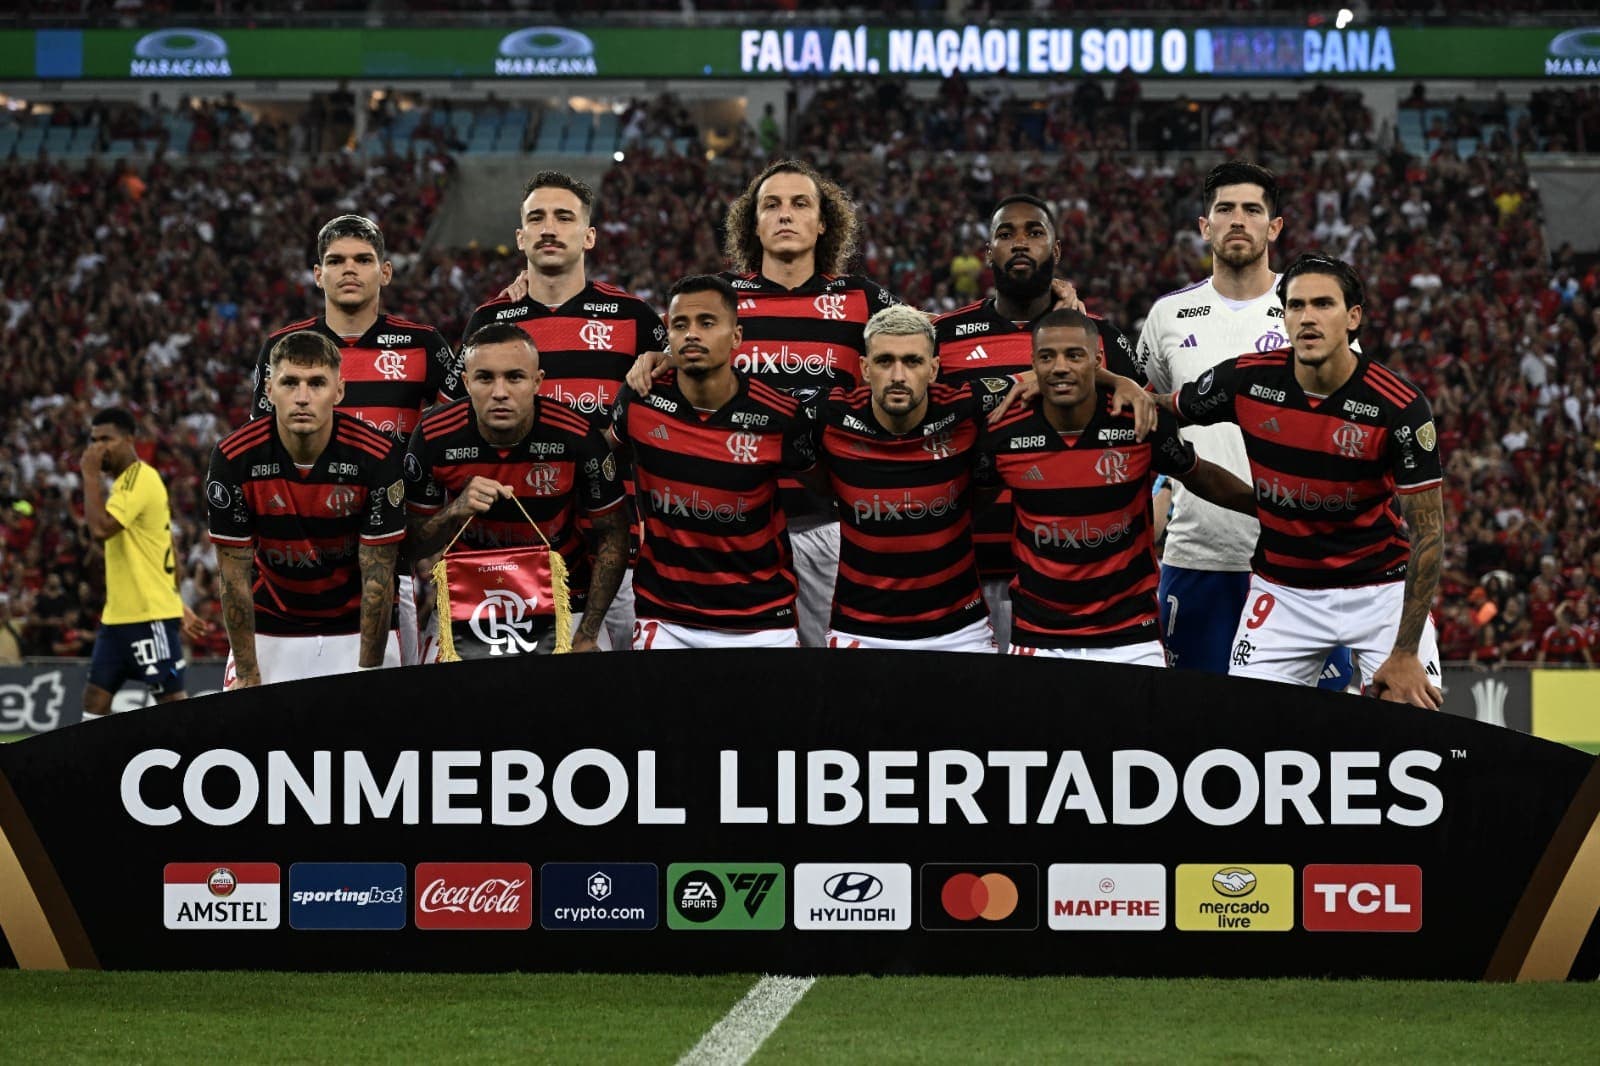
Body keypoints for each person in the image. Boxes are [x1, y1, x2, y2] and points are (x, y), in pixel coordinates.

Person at [1148, 253, 1445, 707]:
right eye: (1296, 305)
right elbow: (1162, 406)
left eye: (1323, 304)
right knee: (1250, 726)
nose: (1307, 317)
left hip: (1380, 590)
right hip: (1283, 592)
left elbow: (1430, 534)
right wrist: (1111, 383)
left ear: (1353, 317)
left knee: (1414, 717)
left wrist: (1405, 652)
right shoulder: (1246, 379)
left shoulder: (1398, 406)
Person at [1136, 162, 1355, 688]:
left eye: (1252, 210)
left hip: (1301, 561)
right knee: (1197, 722)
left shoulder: (1311, 308)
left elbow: (1351, 416)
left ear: (1274, 227)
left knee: (1313, 725)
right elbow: (1148, 412)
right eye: (1225, 209)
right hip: (1198, 558)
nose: (1238, 220)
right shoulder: (1168, 316)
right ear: (1204, 225)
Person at [466, 170, 667, 652]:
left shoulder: (634, 318)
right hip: (518, 552)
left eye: (563, 217)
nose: (549, 228)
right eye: (536, 218)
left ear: (589, 235)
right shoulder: (490, 321)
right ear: (521, 237)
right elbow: (461, 424)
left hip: (617, 548)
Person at [980, 310, 1251, 663]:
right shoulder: (1003, 429)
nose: (1060, 367)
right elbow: (968, 504)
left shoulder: (1138, 421)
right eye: (1047, 357)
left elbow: (1201, 476)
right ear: (1033, 364)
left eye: (1074, 355)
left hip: (1131, 637)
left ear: (1097, 362)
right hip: (1039, 634)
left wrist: (1271, 510)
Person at [935, 194, 1144, 652]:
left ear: (1057, 249)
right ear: (988, 252)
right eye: (1006, 234)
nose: (1020, 243)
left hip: (1073, 583)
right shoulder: (943, 337)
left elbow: (1148, 426)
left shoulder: (1102, 338)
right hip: (962, 575)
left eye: (1034, 232)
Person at [251, 214, 457, 667]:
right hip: (300, 563)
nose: (349, 269)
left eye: (363, 260)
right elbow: (263, 450)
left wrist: (436, 521)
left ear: (385, 272)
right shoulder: (282, 348)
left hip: (392, 557)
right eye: (336, 260)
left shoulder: (423, 344)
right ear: (317, 274)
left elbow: (466, 429)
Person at [717, 159, 899, 648]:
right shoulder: (719, 299)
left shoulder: (864, 299)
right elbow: (663, 354)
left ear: (823, 223)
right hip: (734, 526)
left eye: (800, 204)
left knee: (832, 670)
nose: (785, 214)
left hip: (828, 522)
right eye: (771, 205)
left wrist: (1054, 308)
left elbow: (932, 346)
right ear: (754, 224)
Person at [609, 274, 817, 650]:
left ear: (736, 336)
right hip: (666, 619)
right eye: (680, 325)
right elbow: (604, 459)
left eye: (707, 323)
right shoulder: (639, 400)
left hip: (762, 621)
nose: (692, 334)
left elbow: (826, 487)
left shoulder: (780, 415)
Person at [405, 323, 628, 655]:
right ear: (466, 382)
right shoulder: (433, 435)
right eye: (485, 378)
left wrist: (588, 630)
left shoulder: (577, 435)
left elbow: (613, 532)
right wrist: (455, 510)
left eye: (515, 377)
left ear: (537, 381)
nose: (500, 392)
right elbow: (411, 546)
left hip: (565, 597)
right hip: (467, 598)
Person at [209, 331, 405, 687]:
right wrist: (249, 673)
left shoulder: (377, 456)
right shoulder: (233, 457)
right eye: (290, 383)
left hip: (355, 626)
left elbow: (378, 576)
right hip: (271, 622)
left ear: (338, 391)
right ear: (269, 390)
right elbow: (233, 576)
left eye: (316, 383)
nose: (302, 398)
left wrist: (368, 673)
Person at [815, 305, 1009, 651]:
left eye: (913, 361)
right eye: (884, 361)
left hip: (961, 632)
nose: (898, 376)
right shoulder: (828, 417)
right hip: (860, 630)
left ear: (933, 369)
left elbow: (1044, 377)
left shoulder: (966, 408)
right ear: (864, 368)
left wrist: (1110, 379)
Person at [78, 408, 206, 717]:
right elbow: (166, 547)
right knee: (95, 701)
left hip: (148, 616)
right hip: (117, 618)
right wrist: (177, 601)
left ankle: (204, 747)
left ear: (129, 440)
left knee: (171, 703)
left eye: (106, 439)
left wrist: (89, 475)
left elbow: (101, 530)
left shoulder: (139, 478)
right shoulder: (124, 484)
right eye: (94, 440)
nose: (98, 448)